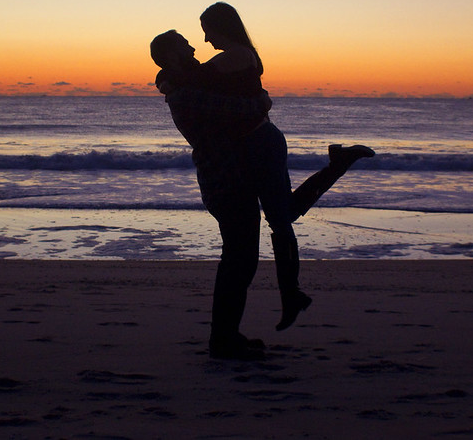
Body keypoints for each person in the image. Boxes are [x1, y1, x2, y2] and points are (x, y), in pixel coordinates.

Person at [151, 22, 373, 360]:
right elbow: (240, 108)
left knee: (252, 247)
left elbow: (228, 88)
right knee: (239, 261)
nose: (194, 48)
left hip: (238, 174)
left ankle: (226, 336)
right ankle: (223, 339)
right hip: (223, 180)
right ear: (170, 54)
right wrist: (264, 101)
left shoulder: (186, 82)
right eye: (184, 43)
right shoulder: (184, 93)